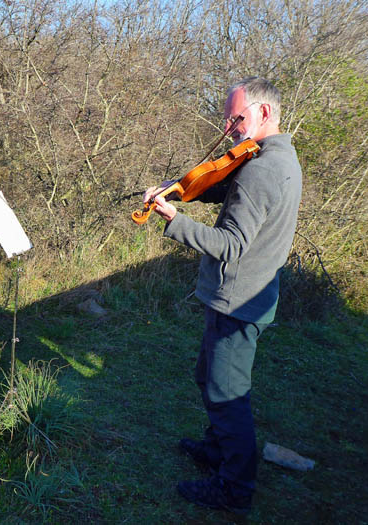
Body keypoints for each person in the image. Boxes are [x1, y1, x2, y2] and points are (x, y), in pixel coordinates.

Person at [143, 77, 302, 514]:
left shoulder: (262, 169)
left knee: (227, 395)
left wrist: (174, 219)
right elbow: (223, 187)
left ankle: (234, 488)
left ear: (264, 113)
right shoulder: (275, 156)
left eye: (237, 117)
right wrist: (178, 188)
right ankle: (216, 451)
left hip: (239, 298)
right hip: (246, 296)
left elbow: (230, 244)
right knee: (209, 378)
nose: (230, 127)